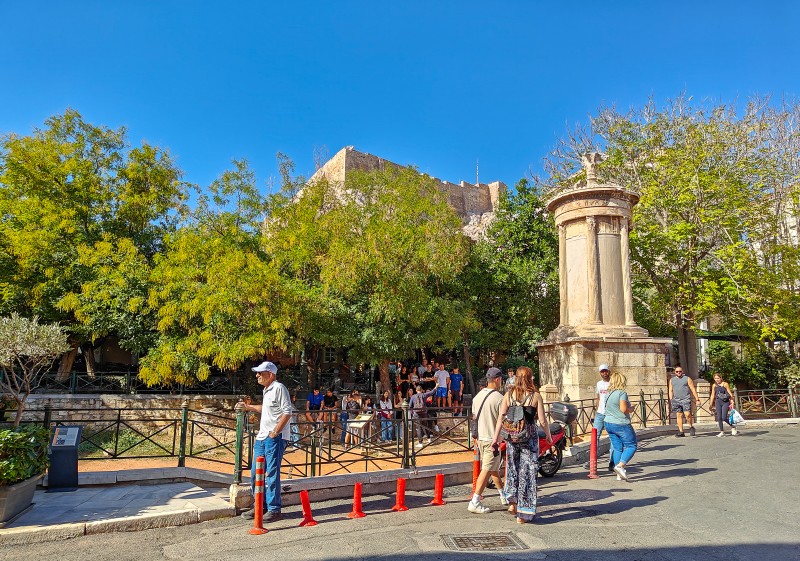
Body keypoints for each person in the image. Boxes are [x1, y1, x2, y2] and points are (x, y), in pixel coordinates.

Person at [492, 366, 552, 524]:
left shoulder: (508, 395)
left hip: (512, 438)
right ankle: (523, 514)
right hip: (529, 437)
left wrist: (495, 439)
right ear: (530, 378)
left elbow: (500, 418)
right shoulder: (535, 396)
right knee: (528, 473)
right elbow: (543, 420)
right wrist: (548, 435)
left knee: (512, 469)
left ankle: (512, 502)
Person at [238, 361, 292, 522]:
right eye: (258, 372)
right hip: (263, 437)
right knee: (256, 473)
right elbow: (266, 409)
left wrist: (275, 432)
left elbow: (287, 412)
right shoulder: (267, 390)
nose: (257, 375)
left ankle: (274, 509)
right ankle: (260, 505)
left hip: (274, 438)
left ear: (271, 374)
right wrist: (249, 407)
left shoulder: (279, 388)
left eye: (261, 372)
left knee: (271, 473)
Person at [467, 368, 505, 514]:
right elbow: (503, 421)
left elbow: (474, 419)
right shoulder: (499, 398)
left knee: (493, 468)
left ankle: (503, 495)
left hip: (481, 438)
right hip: (492, 440)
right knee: (487, 469)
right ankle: (475, 501)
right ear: (497, 379)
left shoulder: (477, 397)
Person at [603, 372, 638, 481]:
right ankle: (620, 466)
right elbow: (623, 409)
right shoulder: (621, 393)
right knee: (631, 446)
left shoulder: (608, 394)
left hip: (608, 423)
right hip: (621, 423)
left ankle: (618, 473)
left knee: (617, 448)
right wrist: (631, 409)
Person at [669, 366, 700, 437]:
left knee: (687, 414)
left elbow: (692, 389)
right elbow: (670, 390)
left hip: (685, 399)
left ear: (682, 371)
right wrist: (671, 399)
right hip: (676, 400)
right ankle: (681, 431)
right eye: (677, 371)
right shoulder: (672, 380)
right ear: (675, 372)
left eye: (680, 371)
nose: (678, 373)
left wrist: (697, 399)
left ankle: (690, 426)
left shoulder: (687, 379)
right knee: (679, 415)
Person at [594, 363, 614, 471]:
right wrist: (597, 410)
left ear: (609, 371)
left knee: (612, 437)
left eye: (606, 371)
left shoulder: (613, 383)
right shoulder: (599, 384)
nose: (604, 373)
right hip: (600, 413)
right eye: (602, 372)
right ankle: (593, 460)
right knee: (595, 435)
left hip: (611, 414)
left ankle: (612, 461)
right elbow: (598, 397)